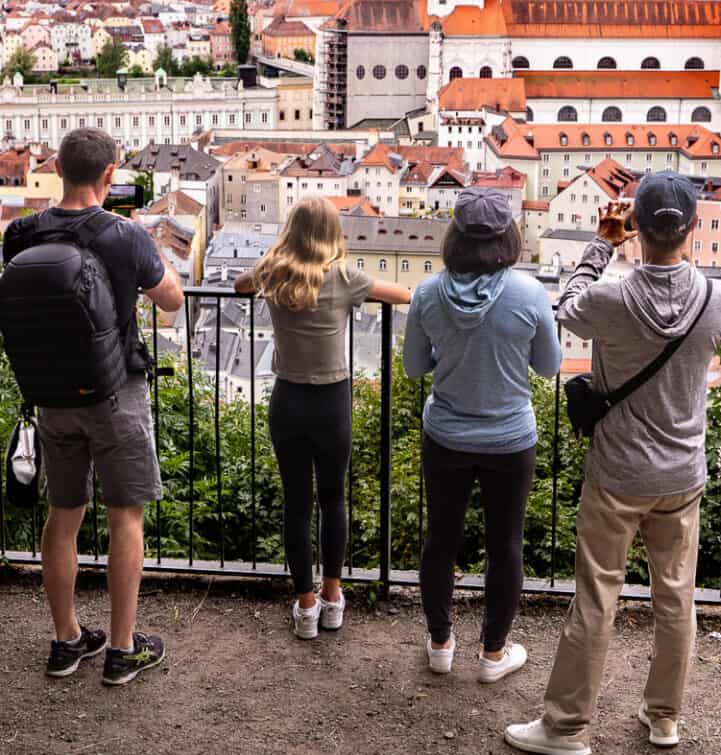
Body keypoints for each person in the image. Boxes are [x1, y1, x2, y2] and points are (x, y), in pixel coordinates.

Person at [505, 175, 721, 755]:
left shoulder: (612, 298)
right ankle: (664, 718)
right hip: (682, 474)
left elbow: (567, 307)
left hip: (616, 472)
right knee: (676, 597)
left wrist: (601, 246)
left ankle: (566, 728)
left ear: (636, 225)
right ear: (691, 227)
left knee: (596, 598)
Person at [2, 128, 184, 685]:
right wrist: (154, 252)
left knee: (64, 517)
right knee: (126, 516)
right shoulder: (124, 235)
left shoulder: (21, 233)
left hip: (51, 396)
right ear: (110, 175)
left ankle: (67, 641)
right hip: (115, 391)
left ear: (57, 166)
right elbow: (171, 299)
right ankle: (123, 649)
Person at [403, 188, 561, 682]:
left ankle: (440, 645)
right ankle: (493, 655)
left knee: (440, 542)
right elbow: (549, 367)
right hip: (510, 438)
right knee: (506, 544)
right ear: (507, 237)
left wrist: (445, 356)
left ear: (455, 237)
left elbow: (412, 367)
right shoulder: (530, 294)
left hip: (446, 434)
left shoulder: (427, 294)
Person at [235, 197, 410, 639]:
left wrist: (268, 263)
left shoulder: (272, 273)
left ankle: (305, 604)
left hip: (288, 399)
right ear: (332, 234)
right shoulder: (346, 277)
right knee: (333, 499)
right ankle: (332, 596)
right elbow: (403, 295)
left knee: (297, 504)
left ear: (291, 231)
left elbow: (239, 286)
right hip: (332, 402)